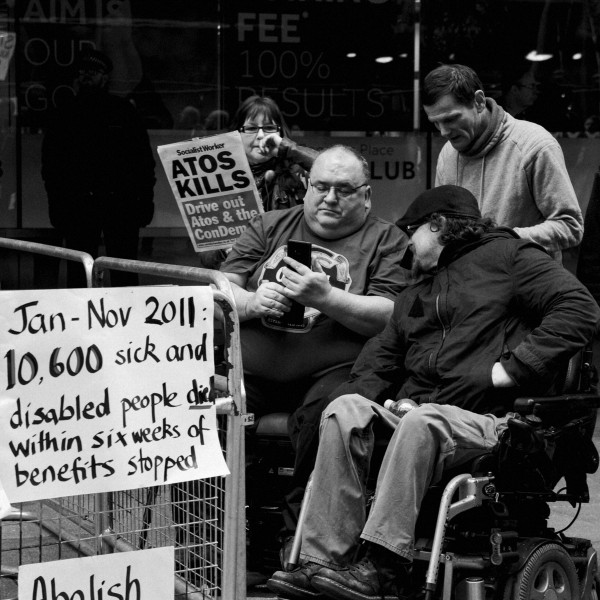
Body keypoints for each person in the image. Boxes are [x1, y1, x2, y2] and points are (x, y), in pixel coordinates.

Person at [267, 184, 599, 600]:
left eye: (413, 232)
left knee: (424, 419)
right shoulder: (416, 292)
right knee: (345, 409)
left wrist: (513, 369)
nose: (408, 245)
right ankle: (323, 562)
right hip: (426, 416)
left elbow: (579, 308)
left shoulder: (510, 257)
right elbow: (377, 363)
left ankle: (383, 566)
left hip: (494, 421)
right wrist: (373, 402)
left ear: (438, 225)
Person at [220, 144, 409, 489]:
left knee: (328, 416)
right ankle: (210, 538)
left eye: (344, 190)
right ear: (308, 187)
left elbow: (389, 315)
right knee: (205, 404)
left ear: (366, 197)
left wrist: (326, 298)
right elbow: (220, 288)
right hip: (249, 373)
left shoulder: (388, 239)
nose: (330, 198)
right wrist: (251, 302)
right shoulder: (268, 224)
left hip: (328, 377)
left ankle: (297, 536)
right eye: (321, 187)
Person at [423, 63, 583, 262]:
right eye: (435, 123)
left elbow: (570, 226)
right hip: (467, 284)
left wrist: (504, 240)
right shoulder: (448, 153)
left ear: (479, 101)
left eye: (451, 119)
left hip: (526, 285)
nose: (443, 132)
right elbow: (443, 225)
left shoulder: (534, 145)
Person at [41, 48, 156, 287]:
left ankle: (128, 318)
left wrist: (144, 201)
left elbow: (143, 162)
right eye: (82, 71)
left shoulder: (123, 111)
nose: (86, 75)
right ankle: (80, 318)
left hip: (121, 203)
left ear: (105, 77)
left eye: (93, 71)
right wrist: (57, 203)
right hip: (79, 204)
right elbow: (52, 165)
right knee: (79, 270)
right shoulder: (64, 114)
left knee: (124, 268)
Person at [231, 95, 319, 212]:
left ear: (280, 132)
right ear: (237, 134)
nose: (261, 135)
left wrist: (287, 150)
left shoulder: (297, 171)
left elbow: (336, 171)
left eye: (269, 127)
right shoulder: (222, 175)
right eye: (251, 128)